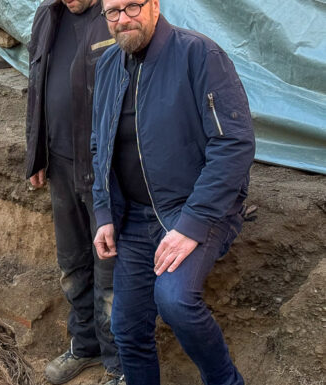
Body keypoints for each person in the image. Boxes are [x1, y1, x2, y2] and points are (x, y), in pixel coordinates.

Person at [90, 0, 255, 383]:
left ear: (154, 6)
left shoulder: (199, 55)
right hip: (132, 216)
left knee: (176, 300)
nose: (122, 19)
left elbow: (234, 145)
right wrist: (103, 214)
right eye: (112, 12)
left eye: (132, 6)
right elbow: (99, 145)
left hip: (194, 209)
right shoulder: (108, 66)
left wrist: (191, 225)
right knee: (127, 327)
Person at [26, 1, 123, 384]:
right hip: (61, 162)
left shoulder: (116, 15)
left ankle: (119, 363)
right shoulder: (48, 14)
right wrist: (36, 153)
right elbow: (37, 84)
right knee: (72, 263)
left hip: (105, 169)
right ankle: (85, 345)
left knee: (111, 272)